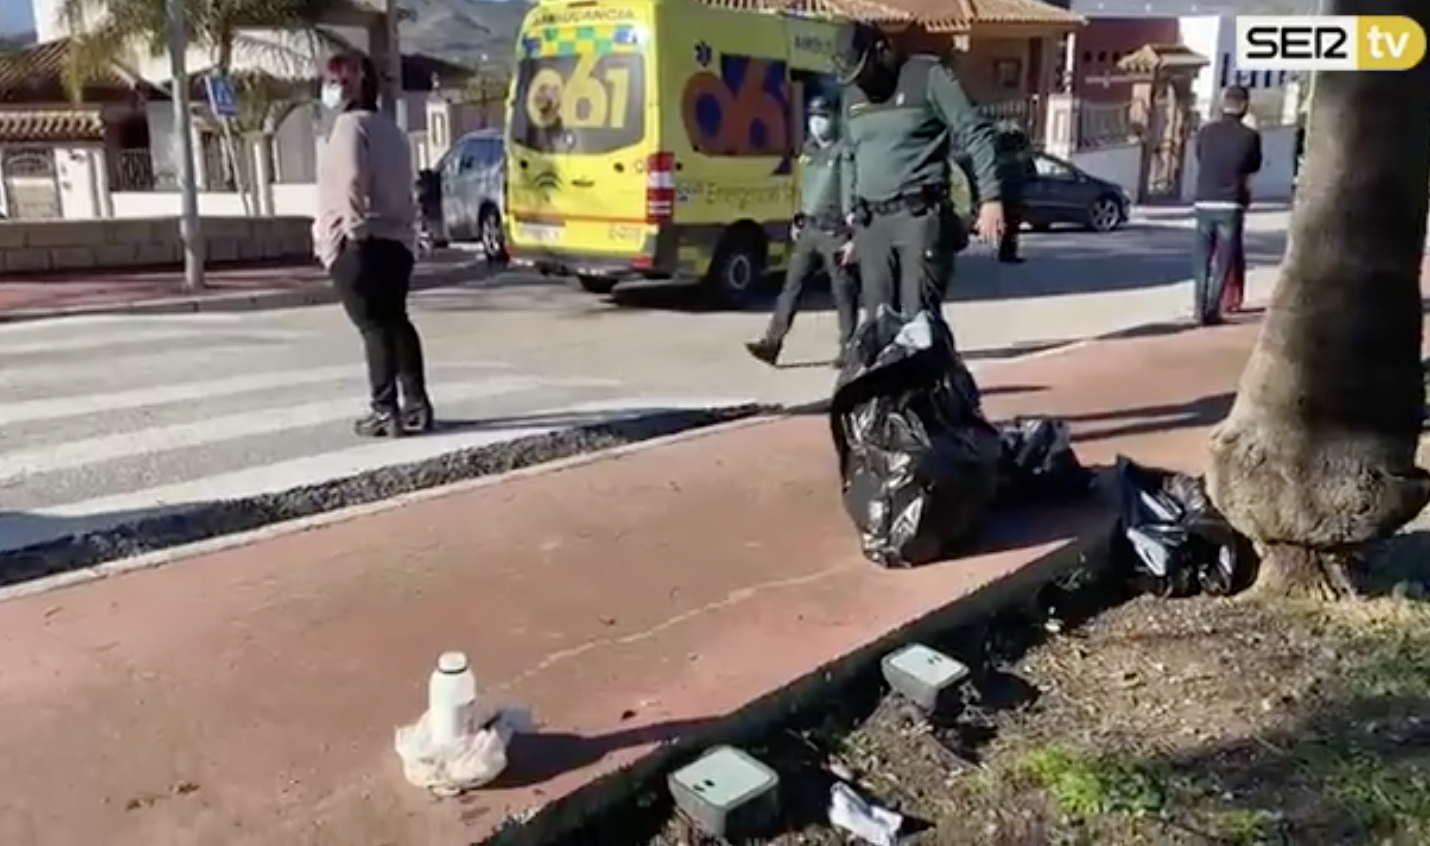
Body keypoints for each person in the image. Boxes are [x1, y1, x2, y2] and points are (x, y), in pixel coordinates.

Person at [833, 21, 1005, 320]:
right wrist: (851, 215)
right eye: (853, 78)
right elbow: (848, 155)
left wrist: (991, 199)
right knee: (879, 323)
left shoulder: (927, 77)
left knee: (920, 322)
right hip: (872, 223)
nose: (861, 83)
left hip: (918, 218)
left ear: (882, 50)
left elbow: (976, 133)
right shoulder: (852, 97)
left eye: (863, 72)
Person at [315, 52, 434, 438]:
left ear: (348, 86)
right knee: (396, 320)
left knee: (373, 326)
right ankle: (416, 404)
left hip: (361, 240)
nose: (328, 89)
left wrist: (353, 233)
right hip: (397, 241)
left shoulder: (349, 126)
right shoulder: (391, 130)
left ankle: (385, 409)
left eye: (333, 82)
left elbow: (351, 180)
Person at [745, 96, 858, 368]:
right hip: (809, 228)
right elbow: (804, 188)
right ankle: (772, 343)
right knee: (791, 288)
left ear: (835, 119)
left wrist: (853, 234)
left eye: (823, 116)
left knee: (843, 292)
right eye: (813, 117)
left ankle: (849, 348)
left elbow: (849, 192)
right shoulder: (809, 151)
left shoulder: (843, 152)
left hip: (835, 230)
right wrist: (798, 218)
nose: (816, 122)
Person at [1191, 84, 1261, 326]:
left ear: (1223, 104)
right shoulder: (1250, 136)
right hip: (1231, 202)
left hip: (1204, 200)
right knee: (1224, 258)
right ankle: (1213, 309)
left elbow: (1200, 157)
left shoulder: (1205, 132)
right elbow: (1253, 167)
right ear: (1244, 106)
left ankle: (1198, 307)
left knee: (1202, 257)